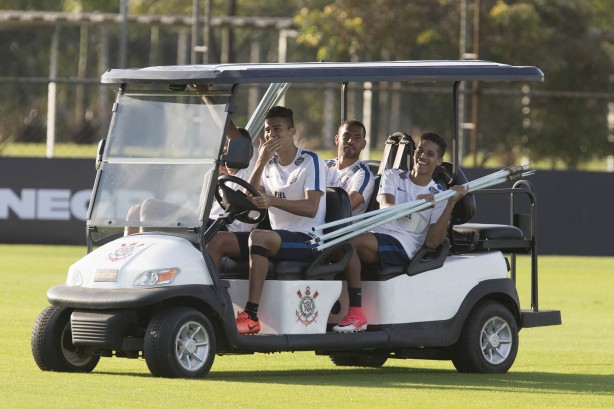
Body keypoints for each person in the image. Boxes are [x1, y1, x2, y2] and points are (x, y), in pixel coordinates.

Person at [207, 106, 327, 335]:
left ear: (292, 131)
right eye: (268, 130)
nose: (272, 135)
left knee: (259, 236)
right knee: (217, 240)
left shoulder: (311, 161)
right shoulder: (269, 164)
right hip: (277, 238)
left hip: (308, 239)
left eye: (278, 129)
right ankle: (213, 308)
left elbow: (311, 208)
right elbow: (248, 198)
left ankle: (251, 315)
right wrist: (261, 160)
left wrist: (272, 201)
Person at [332, 132, 467, 333]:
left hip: (404, 245)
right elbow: (387, 209)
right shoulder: (392, 176)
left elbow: (432, 242)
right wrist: (415, 206)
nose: (422, 156)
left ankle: (356, 313)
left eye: (430, 154)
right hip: (379, 234)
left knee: (350, 243)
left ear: (439, 161)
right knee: (341, 242)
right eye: (420, 150)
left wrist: (450, 203)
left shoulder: (440, 195)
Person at [124, 127, 257, 235]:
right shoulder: (223, 178)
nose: (225, 151)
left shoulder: (252, 170)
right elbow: (201, 210)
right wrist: (210, 178)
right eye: (224, 146)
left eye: (230, 147)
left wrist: (208, 99)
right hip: (207, 222)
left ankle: (149, 257)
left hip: (225, 228)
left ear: (247, 151)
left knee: (150, 206)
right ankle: (129, 256)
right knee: (134, 211)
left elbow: (234, 134)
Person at [325, 119, 375, 215]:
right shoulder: (323, 166)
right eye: (346, 136)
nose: (351, 141)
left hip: (340, 228)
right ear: (336, 140)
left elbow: (343, 208)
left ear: (363, 144)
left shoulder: (363, 175)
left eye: (357, 138)